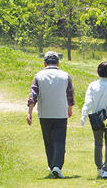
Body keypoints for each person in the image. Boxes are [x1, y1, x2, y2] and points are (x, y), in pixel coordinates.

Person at [27, 51, 75, 179]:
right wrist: (69, 108)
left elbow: (33, 96)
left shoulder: (38, 76)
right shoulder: (65, 76)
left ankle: (52, 165)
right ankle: (57, 166)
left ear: (44, 63)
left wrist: (29, 113)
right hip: (60, 113)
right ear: (58, 63)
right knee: (59, 141)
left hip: (45, 114)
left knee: (48, 141)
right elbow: (70, 94)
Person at [80, 61, 107, 179]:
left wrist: (83, 115)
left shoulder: (93, 85)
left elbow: (88, 102)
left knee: (98, 143)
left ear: (98, 71)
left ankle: (99, 167)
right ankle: (106, 170)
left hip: (97, 119)